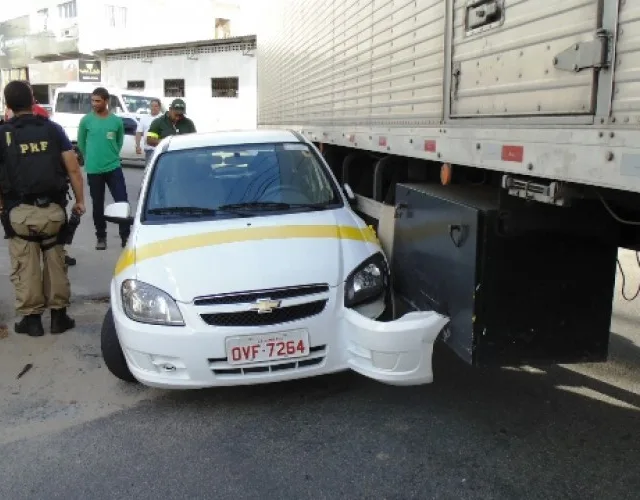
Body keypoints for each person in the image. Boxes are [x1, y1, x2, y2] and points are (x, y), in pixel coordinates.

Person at [0, 80, 86, 337]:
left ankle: (32, 320)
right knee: (55, 262)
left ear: (8, 105)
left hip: (20, 214)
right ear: (33, 102)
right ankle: (59, 317)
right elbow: (73, 168)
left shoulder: (3, 134)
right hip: (53, 212)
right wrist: (80, 201)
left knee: (25, 265)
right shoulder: (53, 130)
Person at [77, 87, 129, 251]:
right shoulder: (86, 121)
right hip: (94, 169)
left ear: (106, 101)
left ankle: (125, 237)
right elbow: (81, 143)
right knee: (97, 204)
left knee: (122, 202)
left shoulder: (116, 121)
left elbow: (119, 142)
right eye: (92, 100)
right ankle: (101, 237)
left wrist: (111, 154)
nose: (94, 104)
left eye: (98, 100)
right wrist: (91, 157)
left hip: (113, 167)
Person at [135, 98, 163, 166]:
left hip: (161, 149)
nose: (153, 108)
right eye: (152, 106)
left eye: (156, 106)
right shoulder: (144, 118)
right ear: (150, 107)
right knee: (149, 169)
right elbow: (139, 132)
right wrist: (137, 146)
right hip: (149, 150)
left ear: (159, 107)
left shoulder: (164, 118)